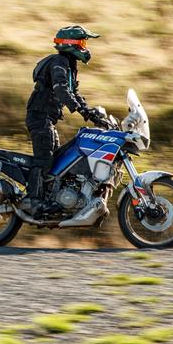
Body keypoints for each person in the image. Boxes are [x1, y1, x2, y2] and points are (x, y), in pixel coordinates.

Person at [21, 25, 109, 215]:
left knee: (58, 163)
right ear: (72, 44)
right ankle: (32, 201)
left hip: (47, 119)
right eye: (82, 42)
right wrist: (83, 111)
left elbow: (74, 93)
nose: (85, 47)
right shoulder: (59, 62)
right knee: (44, 159)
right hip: (40, 117)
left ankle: (53, 200)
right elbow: (62, 91)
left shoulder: (69, 65)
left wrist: (92, 114)